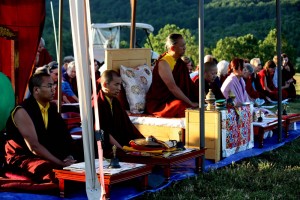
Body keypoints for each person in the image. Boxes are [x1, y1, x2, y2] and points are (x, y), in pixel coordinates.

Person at [3, 71, 77, 183]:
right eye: (49, 86)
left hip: (47, 152)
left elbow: (64, 137)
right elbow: (34, 146)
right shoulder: (22, 111)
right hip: (24, 157)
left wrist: (69, 156)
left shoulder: (51, 108)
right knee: (49, 170)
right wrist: (61, 163)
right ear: (36, 90)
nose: (54, 89)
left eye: (54, 85)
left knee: (84, 154)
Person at [145, 33, 198, 118]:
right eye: (182, 46)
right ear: (173, 48)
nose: (185, 48)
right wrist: (190, 103)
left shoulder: (179, 62)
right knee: (182, 106)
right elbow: (172, 87)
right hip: (160, 104)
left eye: (185, 45)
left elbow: (187, 84)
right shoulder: (164, 63)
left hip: (173, 99)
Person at [94, 70, 144, 156]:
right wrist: (121, 150)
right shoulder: (98, 104)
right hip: (104, 147)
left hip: (119, 143)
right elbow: (102, 133)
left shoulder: (115, 102)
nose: (119, 88)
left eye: (120, 84)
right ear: (105, 85)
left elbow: (127, 126)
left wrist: (142, 142)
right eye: (116, 84)